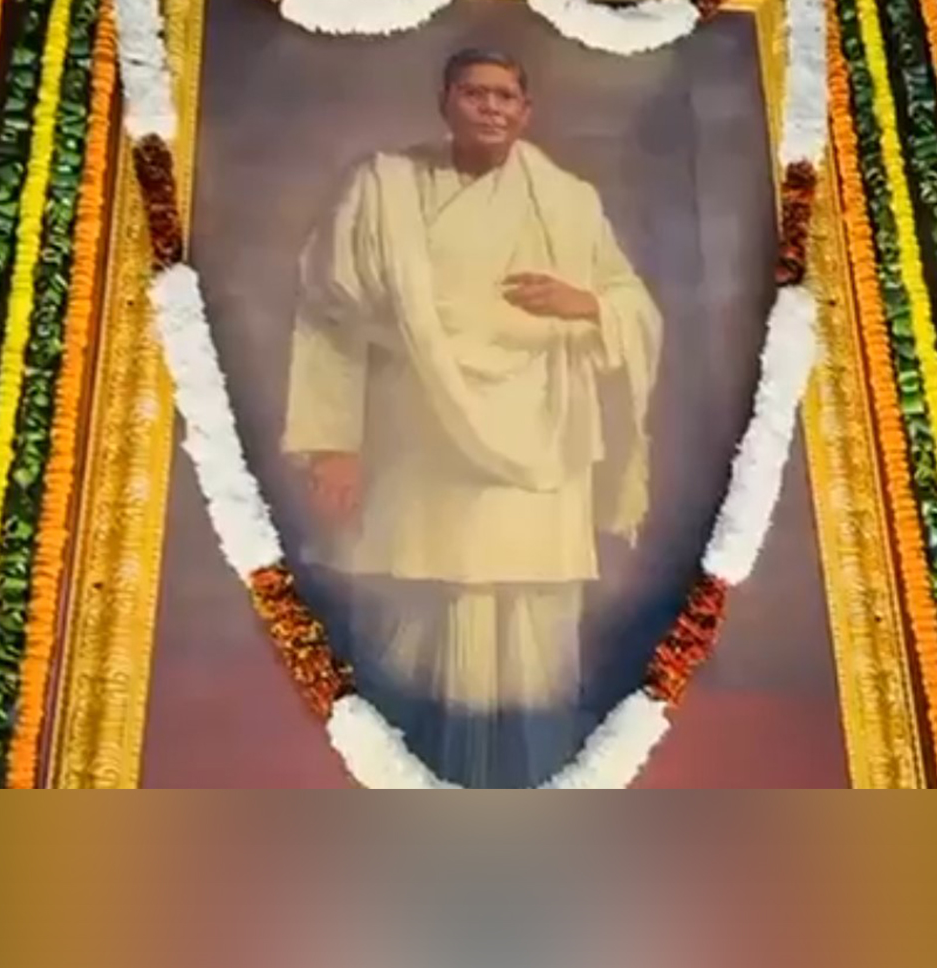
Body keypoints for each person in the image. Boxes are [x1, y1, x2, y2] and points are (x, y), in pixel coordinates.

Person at [283, 48, 662, 786]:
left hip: (542, 441)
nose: (491, 107)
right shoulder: (382, 190)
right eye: (474, 93)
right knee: (413, 613)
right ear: (445, 100)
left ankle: (534, 790)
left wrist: (587, 304)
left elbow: (635, 306)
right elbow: (331, 317)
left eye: (505, 96)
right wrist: (333, 442)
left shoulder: (570, 201)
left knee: (529, 618)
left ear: (527, 111)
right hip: (417, 440)